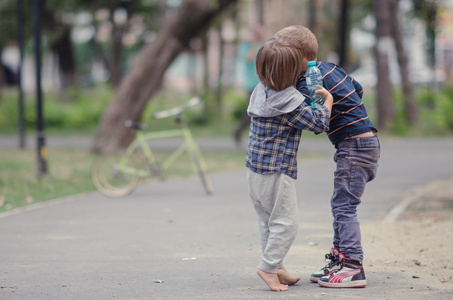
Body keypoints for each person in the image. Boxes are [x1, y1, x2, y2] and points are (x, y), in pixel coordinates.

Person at [275, 25, 380, 288]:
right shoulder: (331, 66)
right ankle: (339, 259)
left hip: (353, 146)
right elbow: (357, 88)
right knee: (340, 204)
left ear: (297, 58)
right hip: (366, 141)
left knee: (344, 207)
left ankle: (353, 266)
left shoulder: (305, 82)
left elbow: (315, 119)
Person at [245, 35, 334, 291]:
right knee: (286, 223)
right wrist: (326, 102)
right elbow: (317, 124)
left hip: (254, 170)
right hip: (275, 171)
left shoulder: (261, 89)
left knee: (268, 222)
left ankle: (277, 266)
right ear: (293, 72)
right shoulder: (288, 101)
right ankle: (267, 267)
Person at [233, 25, 263, 146]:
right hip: (252, 84)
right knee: (253, 112)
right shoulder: (245, 46)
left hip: (262, 84)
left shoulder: (263, 45)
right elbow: (249, 58)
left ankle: (253, 135)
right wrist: (254, 42)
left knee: (260, 112)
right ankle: (238, 132)